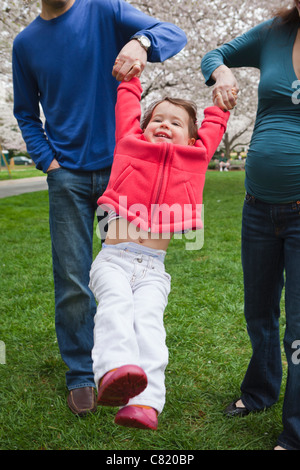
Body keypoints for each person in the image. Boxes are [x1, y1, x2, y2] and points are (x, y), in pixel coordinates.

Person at [12, 0, 187, 416]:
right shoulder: (25, 43)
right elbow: (25, 112)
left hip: (122, 171)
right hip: (67, 177)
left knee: (127, 274)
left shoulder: (105, 10)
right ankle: (81, 375)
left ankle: (129, 366)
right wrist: (49, 163)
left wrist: (141, 43)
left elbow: (173, 34)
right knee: (73, 277)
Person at [88, 76, 229, 430]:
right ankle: (113, 371)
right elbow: (127, 109)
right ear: (144, 127)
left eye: (175, 122)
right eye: (157, 120)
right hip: (114, 260)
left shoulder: (197, 157)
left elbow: (215, 124)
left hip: (153, 269)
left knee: (149, 325)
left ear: (193, 138)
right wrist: (130, 80)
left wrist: (221, 104)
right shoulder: (129, 143)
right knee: (116, 308)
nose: (164, 124)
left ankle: (146, 404)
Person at [201, 0, 300, 450]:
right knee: (259, 310)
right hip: (258, 205)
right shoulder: (274, 31)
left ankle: (296, 429)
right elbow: (214, 54)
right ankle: (259, 391)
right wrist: (220, 73)